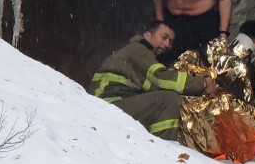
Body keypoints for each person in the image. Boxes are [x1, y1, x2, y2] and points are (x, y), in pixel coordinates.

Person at [89, 20, 218, 140]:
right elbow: (160, 79)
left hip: (110, 105)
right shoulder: (139, 50)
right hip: (107, 106)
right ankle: (164, 149)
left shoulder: (137, 51)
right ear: (147, 34)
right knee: (168, 100)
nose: (167, 44)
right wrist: (203, 83)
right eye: (164, 37)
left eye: (171, 41)